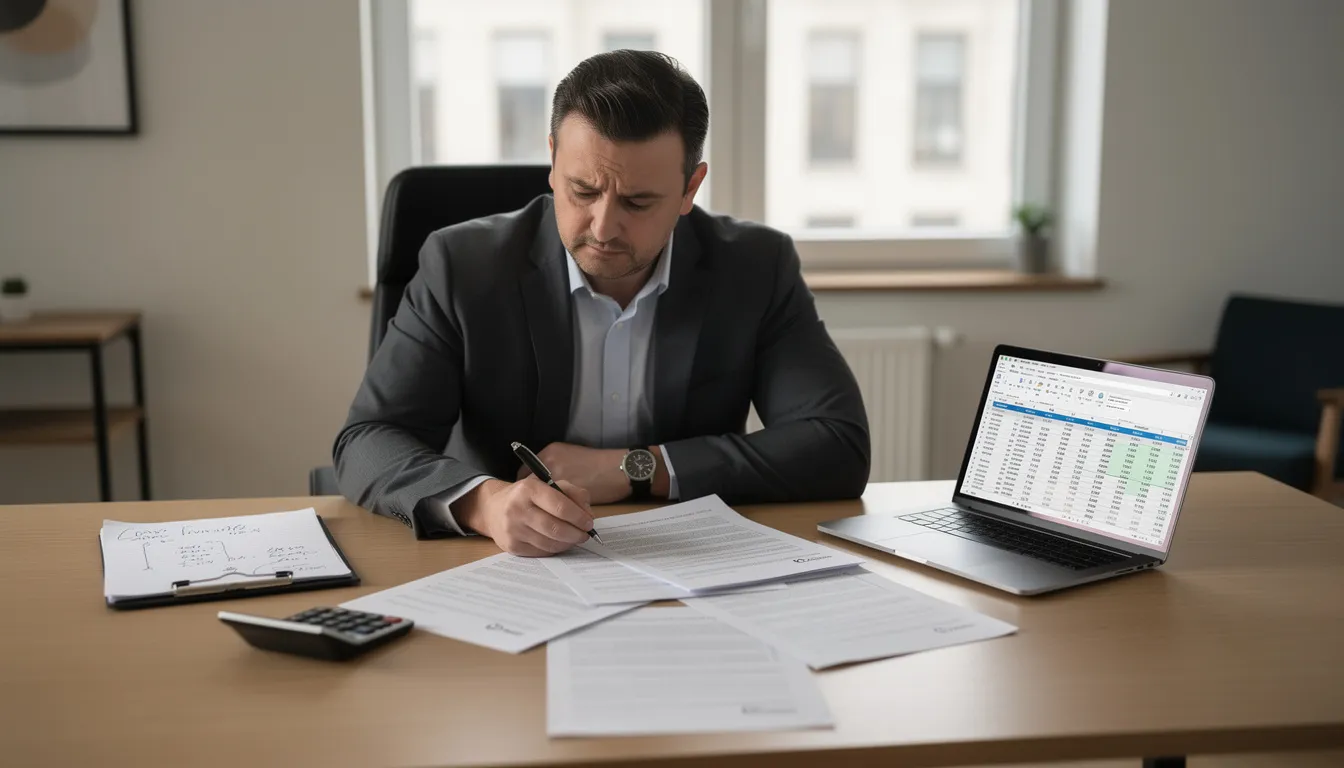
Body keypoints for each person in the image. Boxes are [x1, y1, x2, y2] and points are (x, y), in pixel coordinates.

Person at [334, 50, 869, 556]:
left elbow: (837, 444)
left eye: (637, 202)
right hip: (508, 562)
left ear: (690, 187)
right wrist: (485, 504)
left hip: (687, 561)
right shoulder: (463, 266)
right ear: (552, 160)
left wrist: (637, 468)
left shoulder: (754, 267)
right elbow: (368, 440)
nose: (604, 227)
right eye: (583, 191)